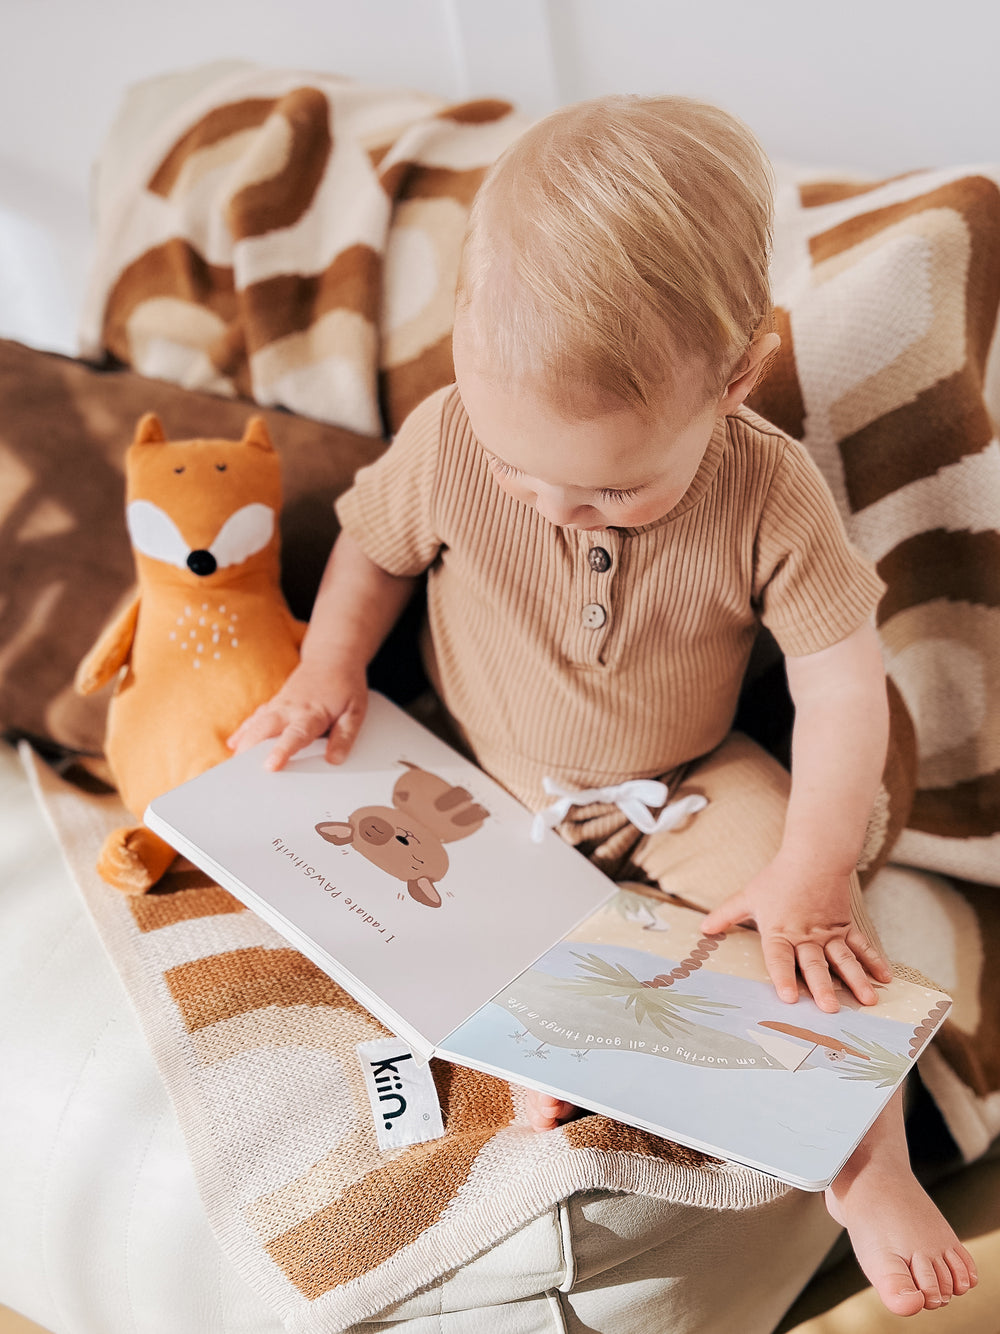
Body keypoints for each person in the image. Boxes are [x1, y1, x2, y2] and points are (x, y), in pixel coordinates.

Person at [229, 94, 977, 1316]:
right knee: (421, 911)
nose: (552, 505)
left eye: (614, 490)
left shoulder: (768, 490)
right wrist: (329, 668)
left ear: (736, 376)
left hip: (683, 780)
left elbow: (841, 681)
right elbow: (373, 549)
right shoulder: (451, 435)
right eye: (519, 468)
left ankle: (867, 1164)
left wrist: (812, 862)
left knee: (816, 950)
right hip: (481, 768)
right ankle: (551, 1056)